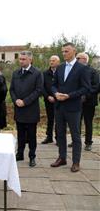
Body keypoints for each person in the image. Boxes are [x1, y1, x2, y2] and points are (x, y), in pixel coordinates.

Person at [50, 43, 90, 173]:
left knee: (75, 135)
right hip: (59, 106)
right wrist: (55, 93)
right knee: (60, 134)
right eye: (62, 51)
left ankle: (76, 162)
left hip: (73, 107)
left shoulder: (82, 68)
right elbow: (53, 85)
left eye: (66, 51)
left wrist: (69, 95)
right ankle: (62, 158)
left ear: (74, 51)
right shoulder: (60, 67)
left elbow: (86, 88)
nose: (64, 53)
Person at [10, 51, 43, 167]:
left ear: (30, 59)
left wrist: (25, 101)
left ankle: (32, 156)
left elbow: (38, 90)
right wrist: (16, 101)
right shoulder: (16, 73)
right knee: (20, 134)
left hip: (31, 110)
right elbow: (12, 90)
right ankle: (20, 153)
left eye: (24, 59)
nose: (21, 61)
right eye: (20, 59)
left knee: (31, 135)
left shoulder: (37, 73)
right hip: (19, 109)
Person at [75, 52, 99, 151]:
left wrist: (85, 95)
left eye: (77, 58)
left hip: (89, 102)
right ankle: (76, 141)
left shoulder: (93, 72)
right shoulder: (76, 71)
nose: (76, 60)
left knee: (88, 122)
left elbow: (96, 86)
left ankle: (88, 142)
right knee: (76, 122)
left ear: (84, 59)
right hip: (77, 101)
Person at [41, 55, 61, 144]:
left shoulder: (61, 72)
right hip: (48, 100)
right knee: (50, 119)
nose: (51, 62)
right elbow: (42, 86)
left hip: (59, 100)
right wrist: (47, 96)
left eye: (53, 60)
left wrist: (57, 96)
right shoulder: (45, 73)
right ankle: (49, 137)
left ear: (58, 62)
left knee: (58, 119)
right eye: (50, 60)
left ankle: (58, 138)